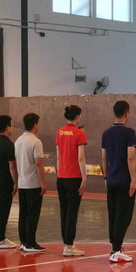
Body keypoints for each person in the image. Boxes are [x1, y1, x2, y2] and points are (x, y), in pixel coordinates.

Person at [102, 101, 136, 263]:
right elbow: (131, 157)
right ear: (126, 113)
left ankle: (115, 246)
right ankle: (116, 250)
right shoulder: (129, 133)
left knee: (113, 213)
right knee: (124, 215)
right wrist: (133, 179)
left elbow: (104, 158)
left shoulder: (106, 133)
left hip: (111, 179)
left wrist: (105, 176)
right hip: (124, 180)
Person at [56, 105, 87, 257]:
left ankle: (67, 242)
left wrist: (59, 173)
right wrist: (84, 177)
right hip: (74, 177)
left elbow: (58, 156)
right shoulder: (79, 133)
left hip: (61, 177)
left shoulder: (60, 132)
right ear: (77, 117)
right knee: (72, 211)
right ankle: (69, 245)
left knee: (64, 210)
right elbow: (80, 158)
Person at [15, 113, 47, 252]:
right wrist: (43, 183)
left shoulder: (18, 141)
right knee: (33, 214)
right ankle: (31, 243)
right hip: (33, 183)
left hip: (22, 182)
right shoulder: (36, 142)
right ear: (35, 124)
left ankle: (23, 241)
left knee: (23, 213)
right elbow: (39, 163)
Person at [0, 115, 18, 250]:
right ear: (7, 127)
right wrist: (16, 182)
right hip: (5, 182)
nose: (13, 128)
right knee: (3, 211)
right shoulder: (9, 145)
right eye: (12, 125)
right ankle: (0, 239)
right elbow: (12, 166)